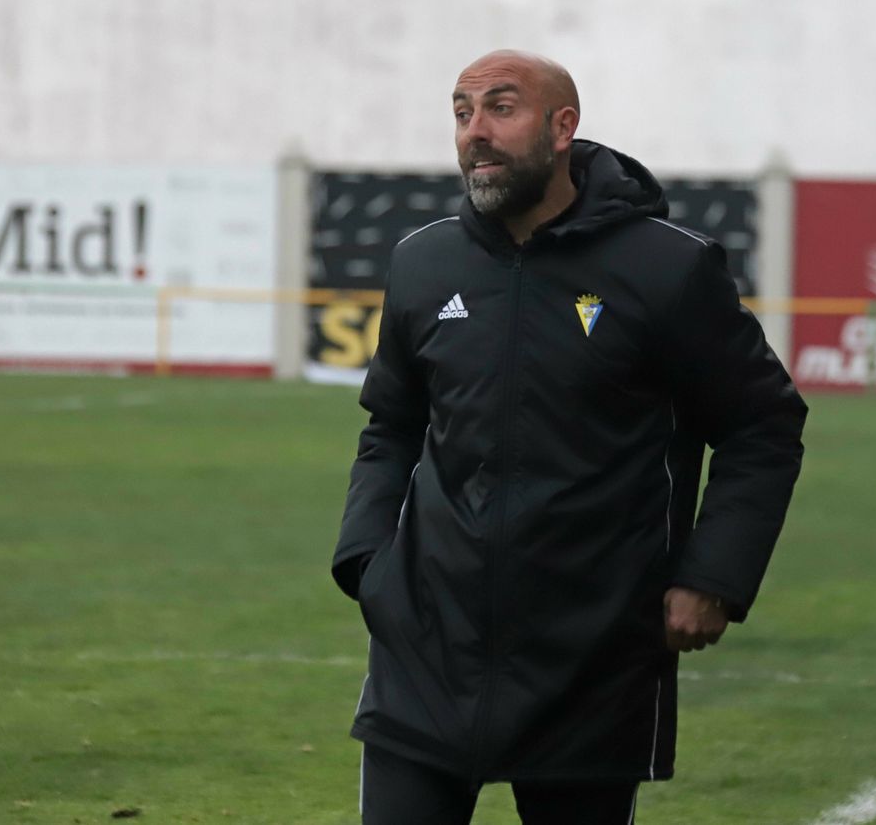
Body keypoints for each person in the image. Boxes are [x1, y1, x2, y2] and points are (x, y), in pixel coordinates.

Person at [331, 50, 808, 824]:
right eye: (461, 112)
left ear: (563, 127)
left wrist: (713, 575)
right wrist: (367, 565)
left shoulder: (667, 269)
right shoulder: (424, 264)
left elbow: (764, 425)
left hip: (592, 655)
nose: (476, 132)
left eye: (500, 108)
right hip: (424, 645)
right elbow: (390, 425)